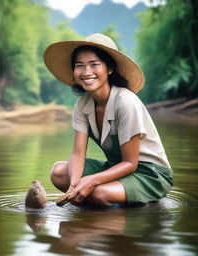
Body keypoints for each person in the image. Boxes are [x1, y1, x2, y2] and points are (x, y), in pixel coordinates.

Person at [44, 33, 173, 207]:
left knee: (99, 193)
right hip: (116, 167)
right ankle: (109, 199)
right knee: (58, 172)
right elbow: (78, 153)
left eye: (94, 64)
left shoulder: (125, 102)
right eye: (79, 66)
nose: (86, 72)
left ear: (109, 68)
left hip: (148, 173)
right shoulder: (83, 103)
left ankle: (123, 202)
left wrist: (92, 180)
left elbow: (130, 163)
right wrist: (74, 185)